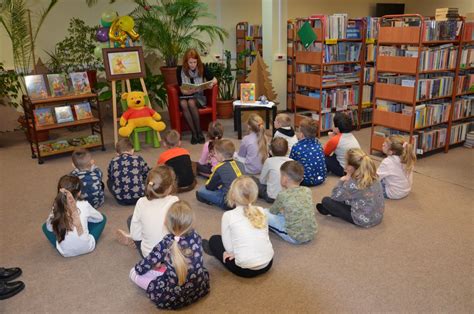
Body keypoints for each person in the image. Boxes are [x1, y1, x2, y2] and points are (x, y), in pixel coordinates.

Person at [129, 201, 210, 310]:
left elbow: (145, 264)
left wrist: (139, 269)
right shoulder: (196, 236)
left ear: (166, 222)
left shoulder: (167, 242)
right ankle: (164, 269)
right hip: (199, 288)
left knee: (134, 272)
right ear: (191, 222)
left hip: (172, 297)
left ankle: (161, 269)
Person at [202, 176, 274, 278]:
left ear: (232, 195)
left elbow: (229, 248)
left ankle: (217, 252)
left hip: (245, 270)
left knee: (214, 240)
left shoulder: (228, 216)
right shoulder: (261, 210)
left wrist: (233, 253)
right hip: (268, 263)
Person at [116, 165, 179, 258]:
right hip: (173, 256)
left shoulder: (141, 202)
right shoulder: (175, 200)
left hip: (150, 257)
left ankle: (130, 238)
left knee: (131, 219)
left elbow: (137, 236)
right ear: (170, 187)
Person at [316, 148, 385, 228]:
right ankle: (329, 210)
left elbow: (334, 197)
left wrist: (342, 180)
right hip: (377, 216)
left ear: (351, 167)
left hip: (363, 220)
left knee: (326, 201)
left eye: (346, 163)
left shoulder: (352, 183)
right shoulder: (373, 176)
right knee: (346, 196)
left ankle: (329, 210)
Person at [42, 175, 106, 257]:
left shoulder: (56, 207)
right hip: (87, 247)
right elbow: (99, 218)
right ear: (79, 193)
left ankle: (64, 243)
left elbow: (49, 228)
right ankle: (80, 237)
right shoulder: (84, 204)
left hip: (65, 253)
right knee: (103, 218)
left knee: (45, 226)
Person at [265, 161, 317, 244]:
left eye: (281, 175)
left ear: (285, 179)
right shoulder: (307, 190)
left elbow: (273, 211)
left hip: (295, 237)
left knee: (263, 212)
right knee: (284, 212)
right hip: (312, 233)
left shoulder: (283, 194)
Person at [177, 48, 218, 144]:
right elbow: (182, 90)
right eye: (190, 63)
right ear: (186, 62)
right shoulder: (180, 70)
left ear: (197, 61)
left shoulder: (202, 67)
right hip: (185, 96)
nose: (193, 65)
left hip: (198, 97)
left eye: (194, 62)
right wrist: (190, 91)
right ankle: (195, 133)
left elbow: (215, 79)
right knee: (183, 103)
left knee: (191, 102)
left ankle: (198, 132)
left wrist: (211, 84)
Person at [196, 139, 246, 210]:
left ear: (220, 155)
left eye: (215, 153)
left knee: (201, 191)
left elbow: (209, 187)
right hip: (243, 197)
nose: (214, 155)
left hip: (229, 203)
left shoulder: (219, 167)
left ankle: (217, 202)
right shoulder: (241, 164)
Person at [107, 138, 150, 206]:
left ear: (117, 153)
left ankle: (121, 191)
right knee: (145, 176)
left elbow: (110, 176)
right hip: (139, 197)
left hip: (121, 199)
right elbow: (147, 173)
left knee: (109, 181)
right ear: (132, 150)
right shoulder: (138, 158)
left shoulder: (113, 161)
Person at [289, 117, 327, 186]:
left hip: (306, 181)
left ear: (302, 134)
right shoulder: (318, 143)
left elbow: (291, 162)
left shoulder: (296, 146)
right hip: (321, 178)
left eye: (298, 131)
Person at [377, 135, 416, 199]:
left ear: (390, 152)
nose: (382, 144)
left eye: (385, 145)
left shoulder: (387, 162)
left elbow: (375, 178)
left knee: (370, 184)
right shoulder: (407, 158)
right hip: (405, 190)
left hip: (393, 193)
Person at [323, 112, 361, 177]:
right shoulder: (351, 136)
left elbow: (325, 153)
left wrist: (331, 139)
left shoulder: (335, 140)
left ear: (337, 129)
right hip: (355, 167)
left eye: (333, 124)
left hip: (344, 170)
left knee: (321, 157)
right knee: (336, 153)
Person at [258, 137, 292, 203]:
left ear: (271, 151)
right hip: (287, 197)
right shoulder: (292, 161)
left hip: (271, 197)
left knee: (255, 182)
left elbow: (262, 180)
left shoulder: (269, 161)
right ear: (288, 150)